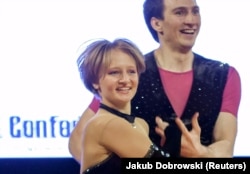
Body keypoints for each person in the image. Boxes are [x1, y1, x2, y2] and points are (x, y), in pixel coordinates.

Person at [69, 0, 241, 161]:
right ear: (157, 23)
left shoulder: (224, 75)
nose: (191, 20)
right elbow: (78, 141)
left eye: (195, 12)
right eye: (180, 13)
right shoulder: (129, 75)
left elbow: (225, 146)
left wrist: (203, 153)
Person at [76, 38, 171, 174]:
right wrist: (175, 140)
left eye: (131, 71)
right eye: (114, 72)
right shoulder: (106, 124)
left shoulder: (140, 124)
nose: (125, 80)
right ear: (95, 81)